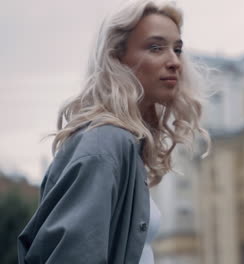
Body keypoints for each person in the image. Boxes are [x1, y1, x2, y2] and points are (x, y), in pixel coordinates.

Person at [17, 0, 209, 263]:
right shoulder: (105, 143)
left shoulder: (124, 142)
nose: (174, 61)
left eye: (177, 49)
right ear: (117, 58)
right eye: (156, 48)